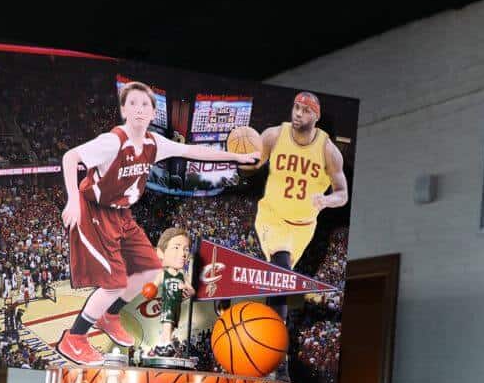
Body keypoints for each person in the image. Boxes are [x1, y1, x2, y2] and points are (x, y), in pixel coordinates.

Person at [57, 80, 260, 365]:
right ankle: (74, 338)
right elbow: (71, 156)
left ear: (153, 113)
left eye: (145, 104)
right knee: (115, 283)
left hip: (122, 214)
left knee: (148, 268)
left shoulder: (155, 143)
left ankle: (109, 315)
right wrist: (70, 200)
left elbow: (195, 151)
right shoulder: (112, 141)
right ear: (123, 111)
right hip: (94, 211)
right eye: (132, 103)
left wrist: (236, 157)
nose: (139, 109)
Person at [255, 92, 348, 273]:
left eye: (306, 111)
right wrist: (242, 161)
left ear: (316, 117)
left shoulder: (329, 151)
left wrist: (327, 200)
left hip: (304, 226)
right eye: (296, 107)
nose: (298, 113)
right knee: (280, 267)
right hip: (273, 217)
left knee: (282, 276)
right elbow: (251, 166)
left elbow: (342, 193)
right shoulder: (273, 135)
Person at [149, 228, 194, 356]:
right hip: (167, 304)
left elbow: (192, 291)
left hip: (177, 306)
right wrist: (149, 290)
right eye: (176, 248)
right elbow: (152, 286)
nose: (183, 253)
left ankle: (161, 344)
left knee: (172, 327)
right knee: (167, 325)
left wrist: (185, 287)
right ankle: (166, 344)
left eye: (186, 249)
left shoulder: (182, 275)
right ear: (161, 253)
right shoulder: (164, 274)